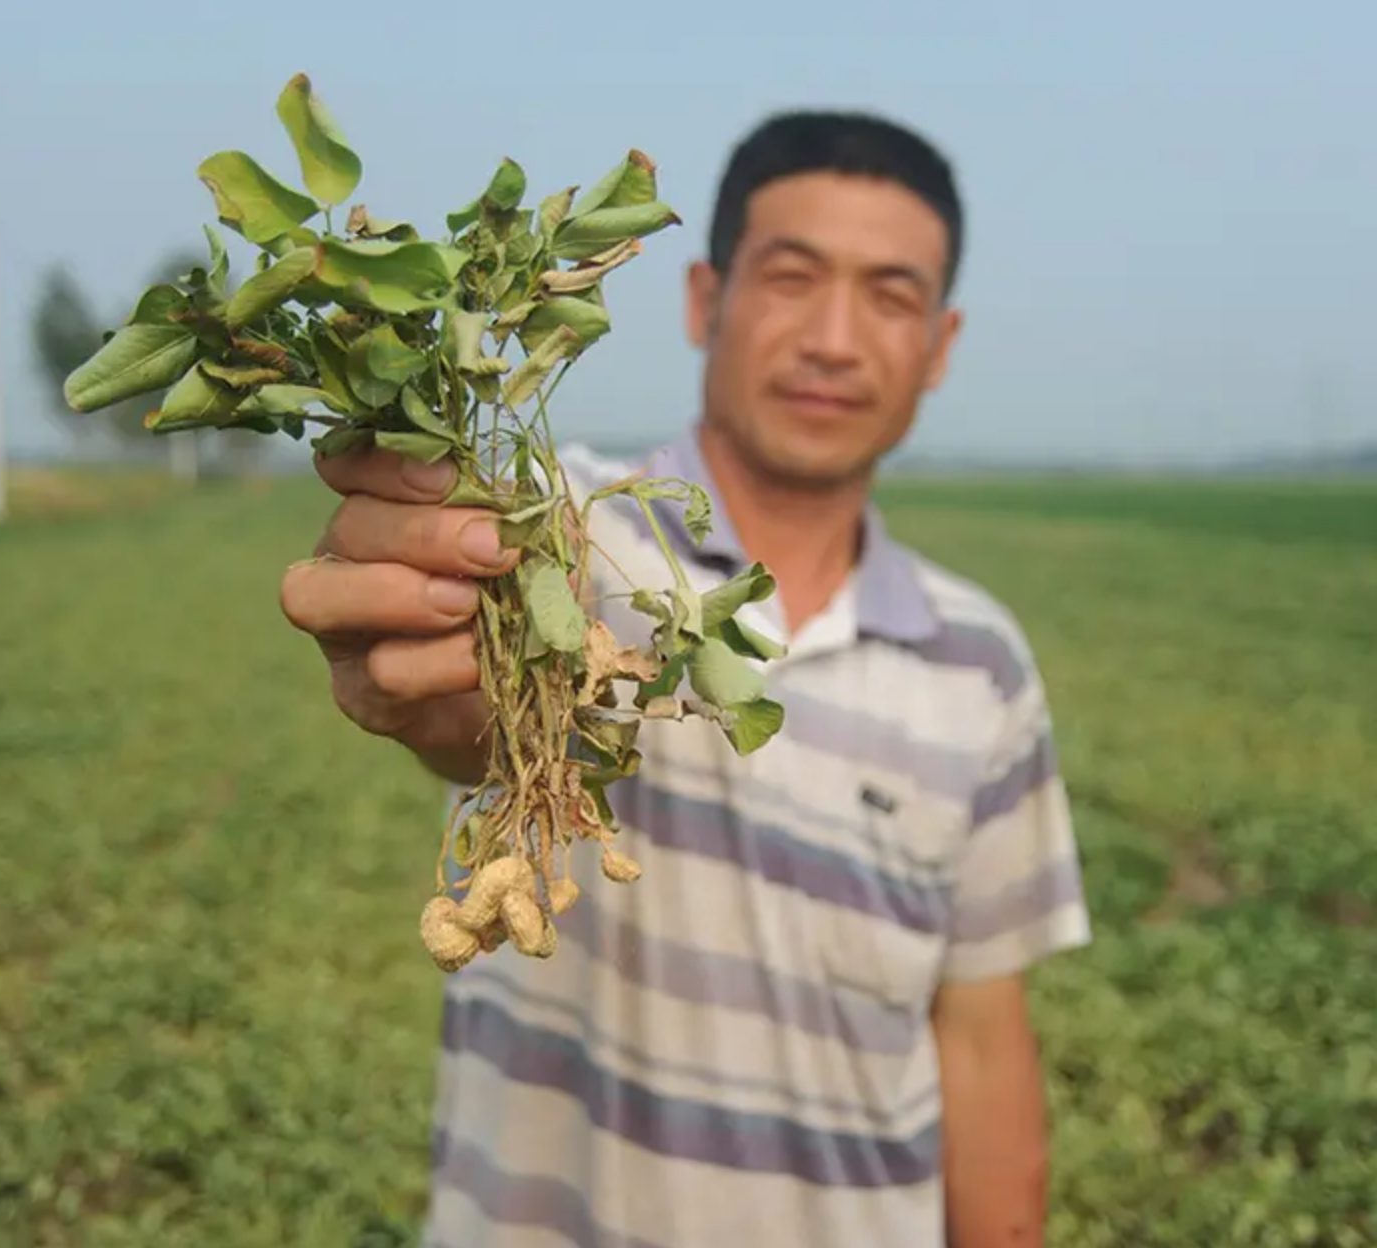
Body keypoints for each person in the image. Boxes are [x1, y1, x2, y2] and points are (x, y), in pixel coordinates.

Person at [279, 109, 1092, 1248]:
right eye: (793, 278)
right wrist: (432, 675)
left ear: (940, 345)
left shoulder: (980, 661)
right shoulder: (555, 529)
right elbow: (455, 703)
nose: (835, 341)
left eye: (890, 297)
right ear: (704, 299)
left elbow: (981, 1039)